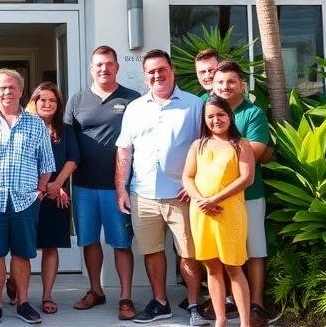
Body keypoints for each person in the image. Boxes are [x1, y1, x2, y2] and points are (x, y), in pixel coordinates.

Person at [115, 50, 206, 325]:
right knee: (152, 250)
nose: (157, 75)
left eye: (161, 69)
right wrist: (121, 188)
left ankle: (193, 304)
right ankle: (160, 302)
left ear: (172, 69)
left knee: (188, 253)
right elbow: (124, 151)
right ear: (145, 76)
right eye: (151, 72)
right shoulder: (135, 108)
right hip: (142, 194)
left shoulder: (193, 105)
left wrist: (196, 186)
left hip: (182, 195)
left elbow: (205, 148)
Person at [0, 69, 55, 327]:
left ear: (21, 91)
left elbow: (47, 163)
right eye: (2, 88)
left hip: (25, 200)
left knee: (22, 254)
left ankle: (23, 302)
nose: (7, 92)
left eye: (12, 87)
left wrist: (38, 193)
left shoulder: (36, 123)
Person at [64, 45, 139, 319]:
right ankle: (95, 290)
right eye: (98, 64)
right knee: (89, 241)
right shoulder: (77, 100)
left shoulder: (133, 99)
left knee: (121, 243)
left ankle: (126, 297)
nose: (104, 69)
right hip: (83, 185)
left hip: (118, 187)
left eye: (109, 64)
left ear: (117, 66)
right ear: (91, 68)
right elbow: (66, 143)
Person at [182, 95, 255, 327]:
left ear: (229, 116)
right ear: (204, 120)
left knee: (234, 267)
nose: (216, 120)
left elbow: (246, 178)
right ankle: (220, 320)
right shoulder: (198, 145)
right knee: (212, 268)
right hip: (202, 213)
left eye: (220, 115)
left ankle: (245, 323)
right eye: (210, 116)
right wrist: (202, 199)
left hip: (229, 213)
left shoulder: (240, 144)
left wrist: (215, 198)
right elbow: (187, 176)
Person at [211, 61, 273, 327]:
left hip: (249, 194)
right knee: (221, 252)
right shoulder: (209, 107)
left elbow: (257, 151)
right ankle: (227, 303)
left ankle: (256, 304)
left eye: (231, 82)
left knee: (254, 250)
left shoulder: (253, 113)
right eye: (220, 82)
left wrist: (219, 157)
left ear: (242, 85)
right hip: (215, 198)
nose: (225, 87)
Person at [25, 83, 78, 316]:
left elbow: (72, 159)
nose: (47, 104)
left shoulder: (65, 130)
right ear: (34, 102)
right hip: (27, 195)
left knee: (50, 247)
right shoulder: (24, 127)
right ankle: (17, 284)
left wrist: (58, 184)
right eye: (42, 100)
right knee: (22, 247)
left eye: (52, 101)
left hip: (55, 195)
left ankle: (47, 295)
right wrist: (42, 186)